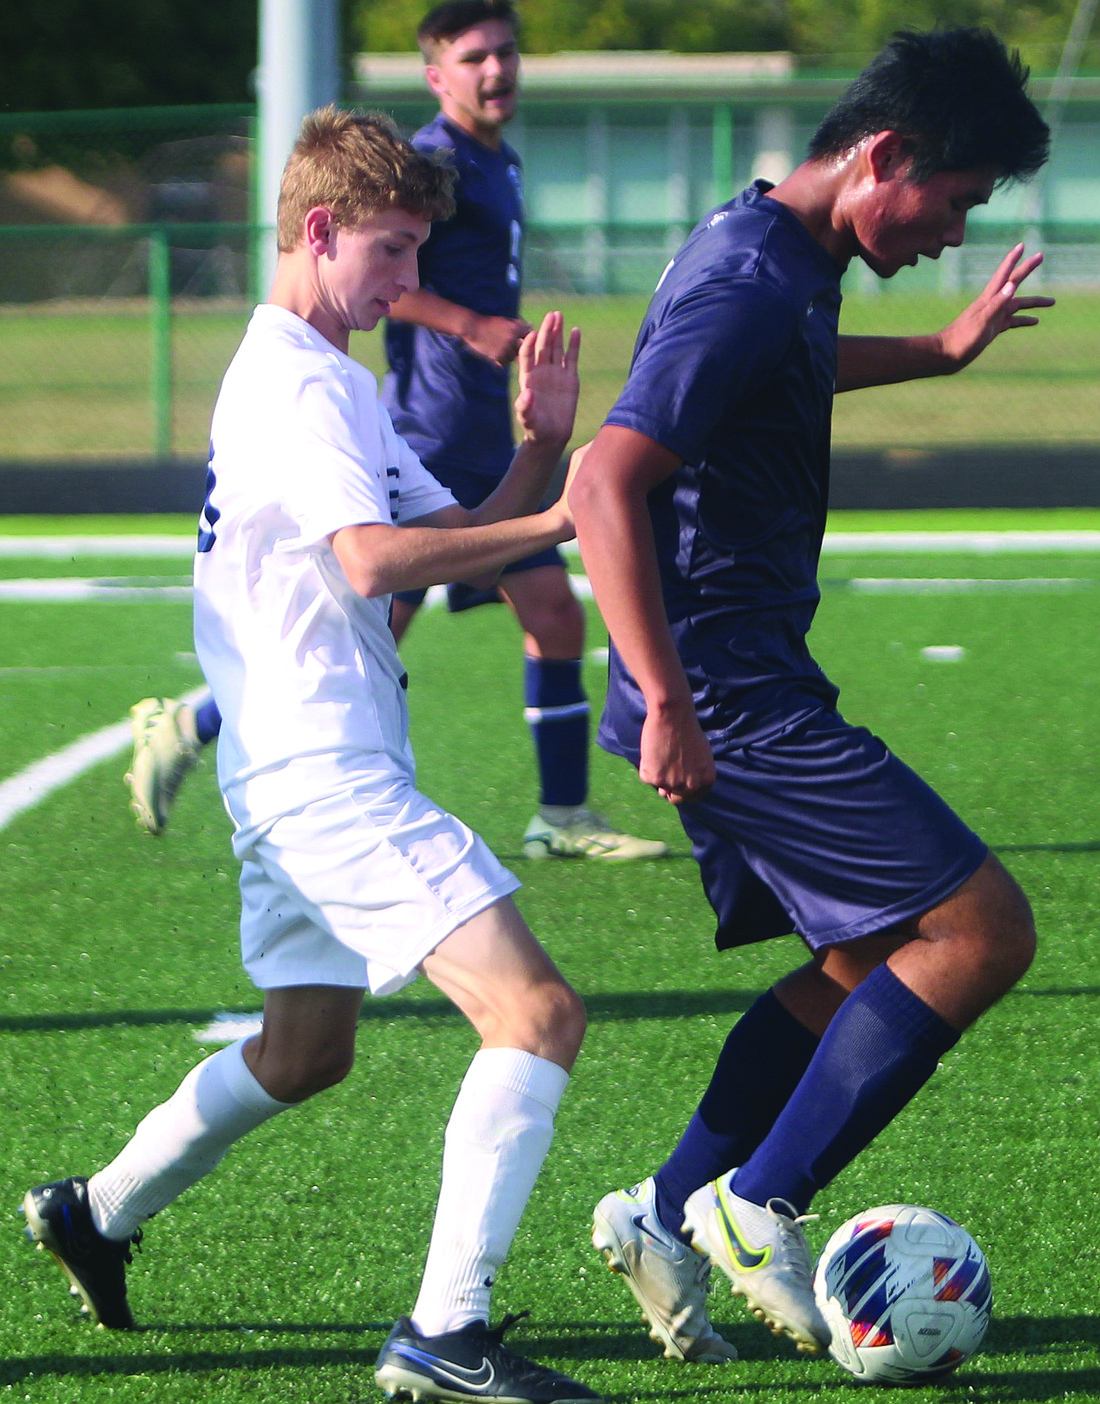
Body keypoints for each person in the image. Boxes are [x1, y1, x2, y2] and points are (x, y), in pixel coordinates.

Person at [26, 105, 600, 1404]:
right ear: (321, 228)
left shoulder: (326, 373)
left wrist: (543, 449)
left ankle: (94, 1211)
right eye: (393, 256)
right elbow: (376, 563)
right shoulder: (298, 380)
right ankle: (445, 1337)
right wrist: (570, 507)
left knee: (305, 1049)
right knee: (539, 1013)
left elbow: (466, 533)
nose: (410, 287)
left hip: (284, 770)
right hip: (324, 771)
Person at [571, 27, 1051, 1365]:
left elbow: (779, 367)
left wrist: (940, 355)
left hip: (729, 676)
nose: (955, 236)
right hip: (726, 691)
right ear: (883, 156)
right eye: (953, 204)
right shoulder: (749, 273)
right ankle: (756, 1201)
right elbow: (603, 480)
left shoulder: (787, 253)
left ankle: (666, 1211)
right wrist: (667, 697)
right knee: (979, 931)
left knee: (854, 965)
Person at [380, 0, 668, 862]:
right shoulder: (429, 159)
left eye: (505, 52)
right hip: (429, 433)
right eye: (473, 58)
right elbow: (376, 276)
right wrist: (468, 325)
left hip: (485, 434)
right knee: (372, 632)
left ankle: (563, 820)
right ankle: (202, 721)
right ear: (437, 76)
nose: (496, 69)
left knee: (552, 613)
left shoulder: (493, 162)